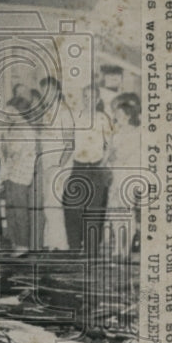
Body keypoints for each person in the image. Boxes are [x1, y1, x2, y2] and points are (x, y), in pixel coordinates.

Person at [64, 83, 113, 251]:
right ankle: (74, 246)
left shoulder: (102, 118)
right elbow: (69, 144)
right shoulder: (75, 117)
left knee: (93, 210)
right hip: (78, 167)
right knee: (72, 207)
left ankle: (91, 250)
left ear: (98, 99)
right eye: (85, 97)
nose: (88, 100)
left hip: (96, 168)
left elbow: (109, 145)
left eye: (92, 97)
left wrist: (102, 164)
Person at [33, 75, 73, 251]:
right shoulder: (46, 113)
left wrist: (59, 164)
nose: (44, 95)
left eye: (47, 92)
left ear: (56, 91)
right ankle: (49, 242)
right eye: (42, 92)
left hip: (59, 164)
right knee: (48, 204)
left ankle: (61, 244)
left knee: (53, 204)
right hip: (46, 163)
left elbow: (70, 143)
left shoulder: (64, 112)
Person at [0, 88, 39, 252]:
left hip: (20, 175)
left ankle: (22, 244)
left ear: (18, 111)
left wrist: (4, 143)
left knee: (19, 211)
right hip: (11, 174)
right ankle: (15, 242)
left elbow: (12, 151)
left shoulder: (24, 130)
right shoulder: (15, 128)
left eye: (10, 111)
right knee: (11, 209)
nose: (6, 114)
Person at [105, 96, 141, 259]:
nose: (115, 115)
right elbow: (109, 152)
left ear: (127, 115)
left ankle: (126, 249)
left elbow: (123, 154)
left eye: (118, 113)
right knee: (114, 212)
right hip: (116, 175)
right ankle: (117, 247)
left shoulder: (136, 132)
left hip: (129, 175)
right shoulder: (116, 132)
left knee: (127, 212)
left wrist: (114, 154)